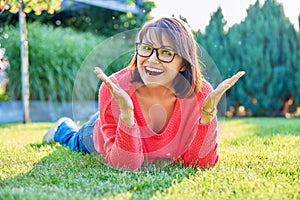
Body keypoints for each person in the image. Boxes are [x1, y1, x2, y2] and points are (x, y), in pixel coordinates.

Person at [43, 17, 245, 171]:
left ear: (183, 62)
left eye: (166, 52)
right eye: (146, 49)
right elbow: (126, 165)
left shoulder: (200, 95)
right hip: (106, 133)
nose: (152, 59)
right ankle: (62, 127)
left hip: (119, 120)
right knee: (75, 140)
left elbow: (200, 163)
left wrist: (207, 116)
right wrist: (127, 113)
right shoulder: (114, 89)